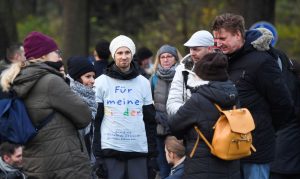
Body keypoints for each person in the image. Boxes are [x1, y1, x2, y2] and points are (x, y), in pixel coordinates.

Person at [0, 31, 92, 178]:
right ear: (43, 55)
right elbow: (84, 116)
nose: (60, 56)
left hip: (35, 165)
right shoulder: (50, 81)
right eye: (56, 52)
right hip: (64, 165)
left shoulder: (19, 80)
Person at [212, 13, 293, 179]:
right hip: (229, 146)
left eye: (222, 38)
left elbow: (283, 104)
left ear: (238, 35)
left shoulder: (262, 62)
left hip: (256, 148)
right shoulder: (224, 61)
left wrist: (264, 128)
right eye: (215, 39)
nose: (218, 43)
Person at [93, 35, 156, 179]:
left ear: (132, 54)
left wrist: (152, 156)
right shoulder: (101, 83)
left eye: (127, 52)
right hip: (110, 150)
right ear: (113, 55)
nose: (123, 57)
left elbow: (150, 121)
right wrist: (98, 156)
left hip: (138, 151)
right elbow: (96, 121)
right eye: (119, 53)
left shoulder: (143, 83)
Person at [168, 52, 240, 178]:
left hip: (201, 167)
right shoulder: (234, 96)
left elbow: (175, 125)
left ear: (203, 75)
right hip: (231, 163)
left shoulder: (198, 99)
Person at [149, 44, 181, 179]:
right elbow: (149, 103)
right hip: (159, 129)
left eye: (169, 56)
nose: (166, 59)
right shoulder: (153, 79)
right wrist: (156, 116)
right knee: (163, 166)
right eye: (162, 57)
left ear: (175, 58)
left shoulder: (182, 75)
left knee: (179, 165)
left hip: (178, 129)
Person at [166, 30, 214, 116]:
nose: (192, 53)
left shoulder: (223, 67)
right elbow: (172, 103)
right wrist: (189, 116)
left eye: (196, 49)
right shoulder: (182, 69)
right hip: (188, 125)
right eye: (191, 49)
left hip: (217, 126)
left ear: (210, 49)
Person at [67, 56, 97, 156]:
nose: (92, 80)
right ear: (77, 78)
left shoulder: (91, 97)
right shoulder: (70, 98)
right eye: (88, 76)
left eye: (93, 76)